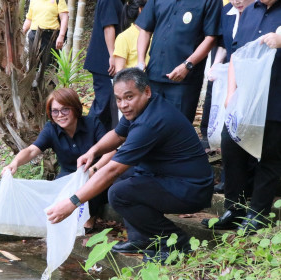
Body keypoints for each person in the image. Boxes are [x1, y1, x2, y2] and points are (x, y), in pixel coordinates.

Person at [46, 68, 214, 262]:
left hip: (191, 188)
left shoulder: (151, 122)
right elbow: (118, 135)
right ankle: (140, 237)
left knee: (120, 192)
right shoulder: (141, 109)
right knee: (125, 179)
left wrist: (73, 202)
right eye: (118, 99)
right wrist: (93, 151)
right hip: (166, 176)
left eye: (129, 97)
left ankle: (177, 242)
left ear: (147, 92)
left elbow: (113, 169)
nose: (123, 105)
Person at [202, 0, 281, 233]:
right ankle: (234, 209)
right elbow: (236, 54)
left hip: (276, 97)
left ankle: (258, 214)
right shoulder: (248, 13)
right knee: (231, 147)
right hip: (245, 99)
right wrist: (230, 92)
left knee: (270, 156)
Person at [2, 88, 110, 230]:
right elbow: (32, 150)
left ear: (75, 108)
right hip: (68, 175)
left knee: (91, 184)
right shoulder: (51, 129)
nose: (60, 115)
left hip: (96, 171)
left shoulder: (92, 123)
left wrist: (94, 169)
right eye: (55, 111)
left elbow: (111, 152)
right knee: (56, 200)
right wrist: (14, 163)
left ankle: (91, 218)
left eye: (65, 110)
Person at [135, 0, 222, 123]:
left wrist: (187, 64)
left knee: (177, 130)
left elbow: (211, 38)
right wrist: (140, 60)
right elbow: (145, 29)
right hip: (153, 75)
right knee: (149, 126)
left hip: (184, 80)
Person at [84, 0, 123, 131]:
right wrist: (112, 55)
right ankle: (85, 137)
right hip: (105, 61)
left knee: (110, 106)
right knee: (103, 104)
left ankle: (101, 142)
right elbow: (108, 27)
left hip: (107, 61)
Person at [23, 0, 69, 67]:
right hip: (34, 35)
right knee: (33, 66)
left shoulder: (58, 0)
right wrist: (21, 32)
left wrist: (61, 36)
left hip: (50, 36)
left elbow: (64, 18)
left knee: (50, 65)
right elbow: (29, 19)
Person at [113, 0, 149, 73]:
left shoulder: (155, 33)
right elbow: (119, 71)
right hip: (135, 83)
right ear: (141, 10)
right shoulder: (124, 37)